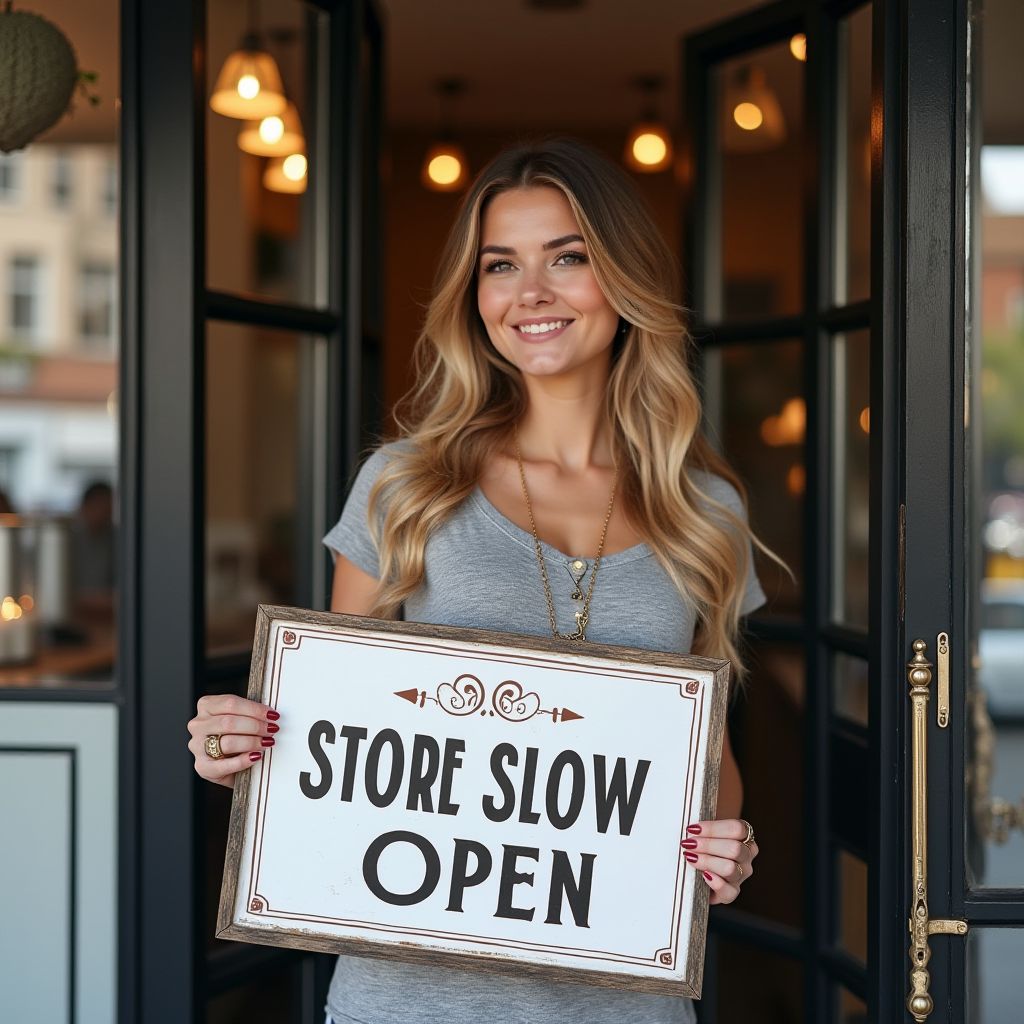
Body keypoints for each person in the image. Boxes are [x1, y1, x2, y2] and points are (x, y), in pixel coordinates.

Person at [189, 138, 764, 1024]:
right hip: (408, 1002)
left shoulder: (706, 508)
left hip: (621, 1008)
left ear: (623, 277)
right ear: (476, 296)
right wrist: (242, 746)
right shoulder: (407, 484)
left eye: (567, 257)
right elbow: (330, 733)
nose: (530, 293)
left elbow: (708, 763)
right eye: (502, 266)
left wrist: (724, 841)